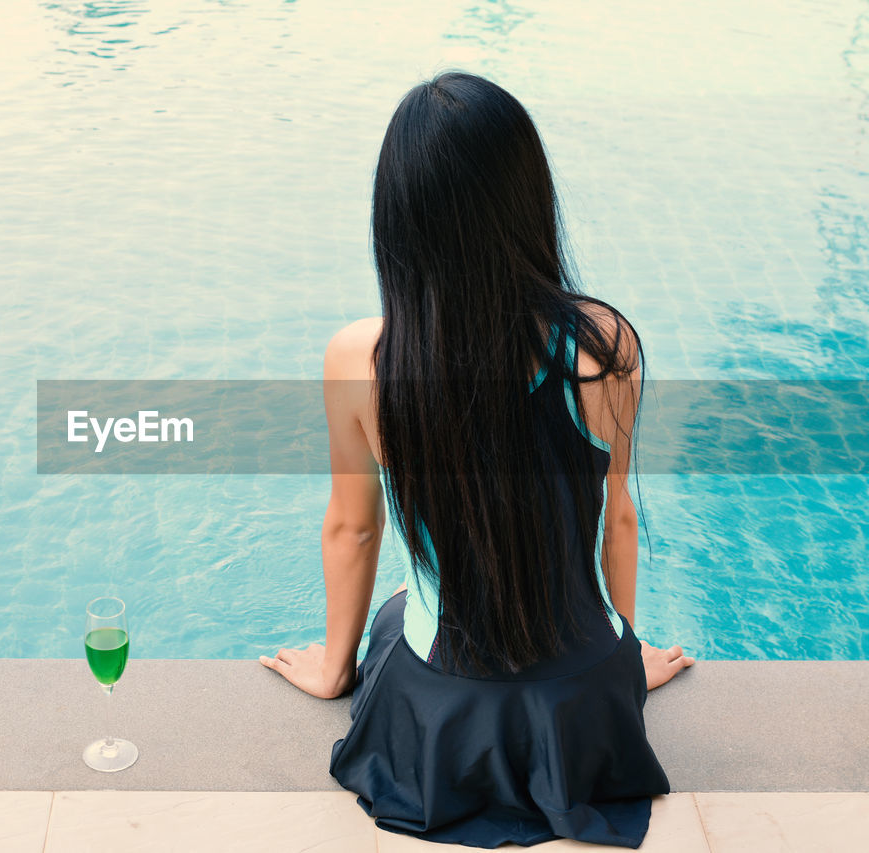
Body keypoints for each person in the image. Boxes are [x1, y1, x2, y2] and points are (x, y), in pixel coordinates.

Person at [258, 71, 694, 848]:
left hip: (445, 717)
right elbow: (616, 519)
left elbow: (352, 532)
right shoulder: (604, 346)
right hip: (584, 695)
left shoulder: (366, 357)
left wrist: (334, 667)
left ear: (399, 218)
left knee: (405, 606)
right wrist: (622, 662)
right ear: (529, 199)